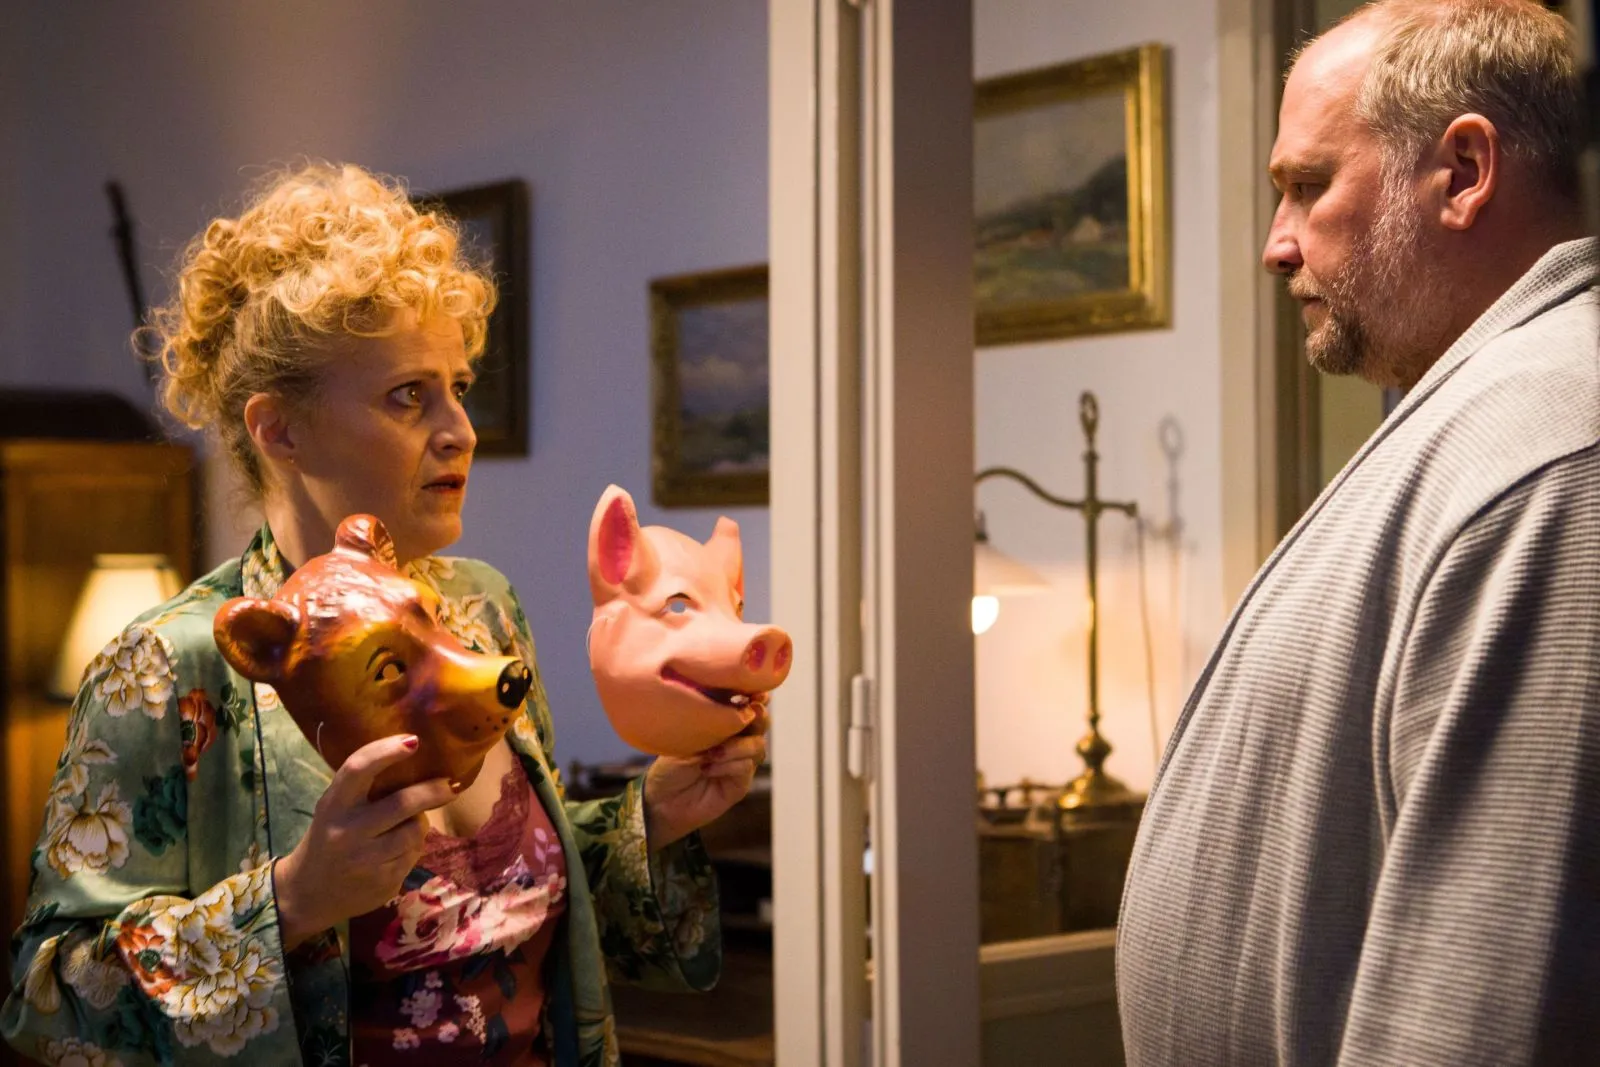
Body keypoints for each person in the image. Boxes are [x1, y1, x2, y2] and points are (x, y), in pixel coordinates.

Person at [1, 163, 766, 1067]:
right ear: (279, 429)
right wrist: (295, 898)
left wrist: (655, 816)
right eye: (409, 395)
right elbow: (49, 1000)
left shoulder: (481, 609)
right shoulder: (170, 665)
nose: (461, 429)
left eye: (459, 385)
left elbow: (511, 906)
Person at [1118, 1, 1598, 1064]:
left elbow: (1489, 994)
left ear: (1463, 172)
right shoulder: (1481, 417)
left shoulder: (1553, 454)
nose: (1275, 245)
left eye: (1307, 185)